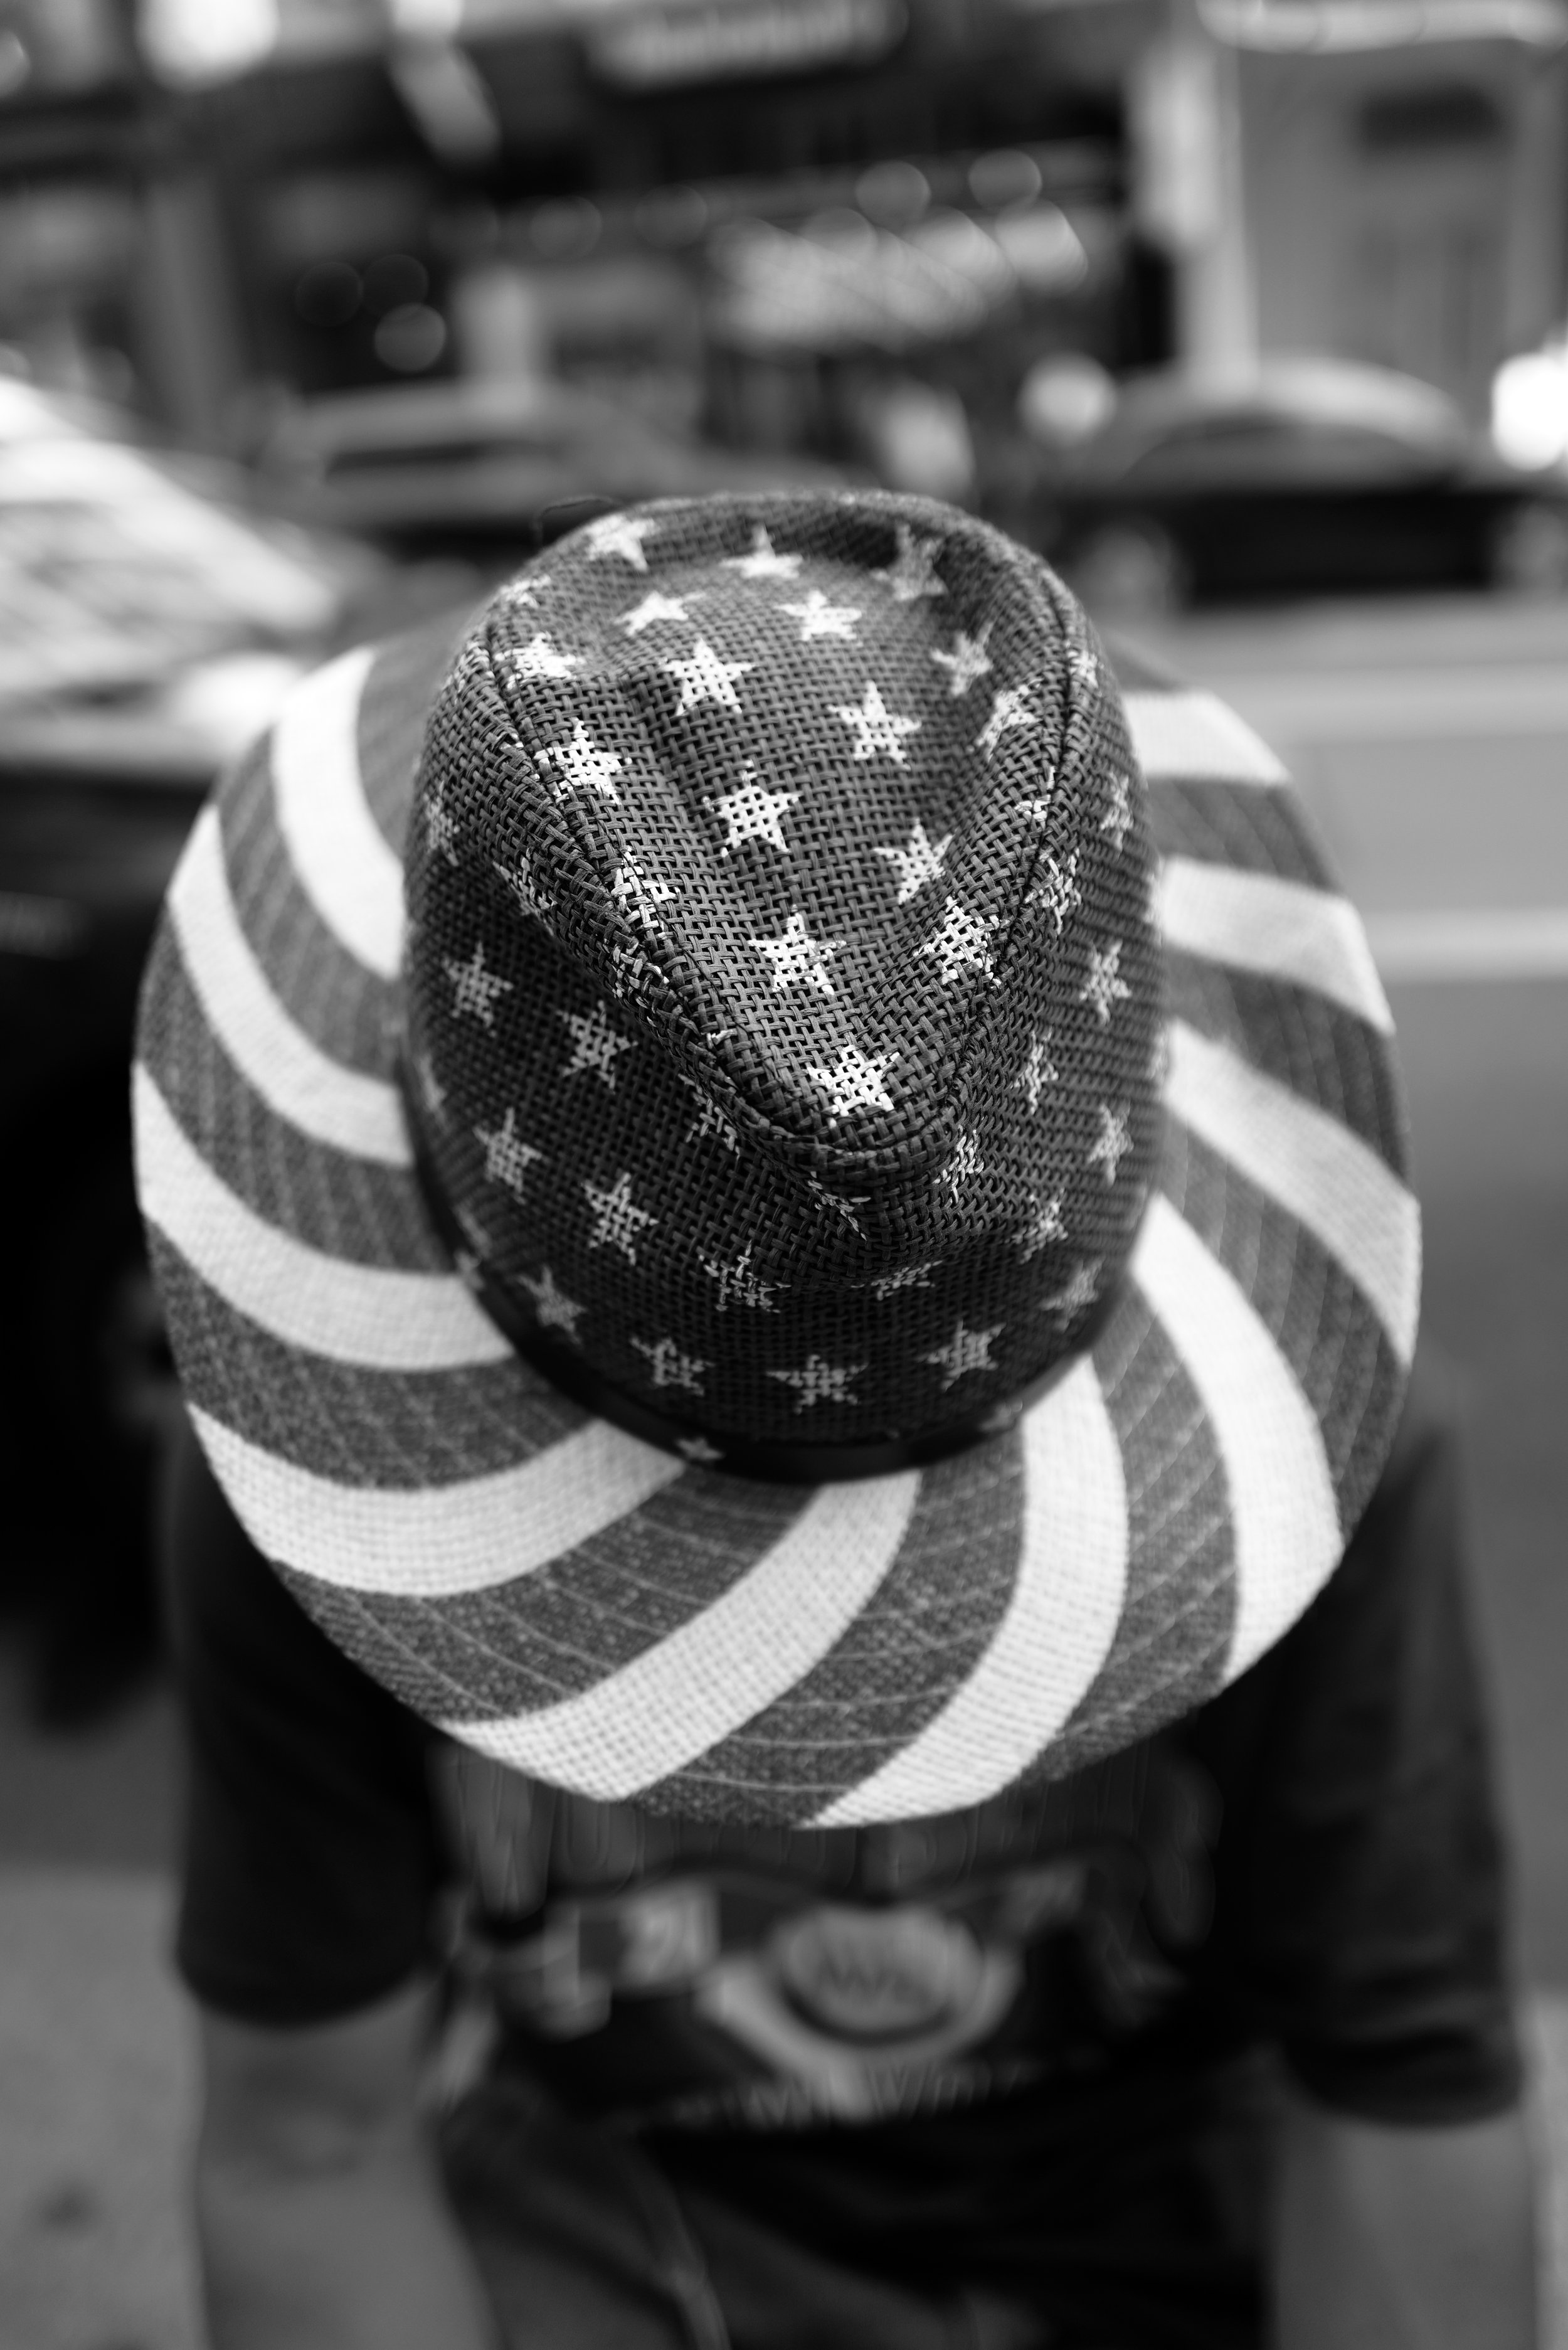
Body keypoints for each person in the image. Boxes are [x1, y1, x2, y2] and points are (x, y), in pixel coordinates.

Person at [135, 489, 1539, 2349]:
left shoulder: (1335, 1446)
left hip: (1167, 2219)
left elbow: (1398, 2079)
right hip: (626, 2233)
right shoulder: (283, 1492)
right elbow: (309, 2139)